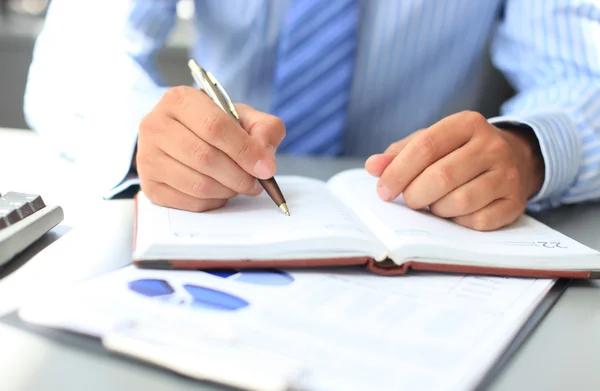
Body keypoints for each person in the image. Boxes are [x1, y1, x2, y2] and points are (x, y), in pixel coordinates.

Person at [24, 0, 600, 231]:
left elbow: (582, 70)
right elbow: (72, 61)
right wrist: (144, 132)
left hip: (428, 219)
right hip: (222, 213)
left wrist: (527, 150)